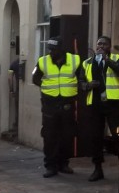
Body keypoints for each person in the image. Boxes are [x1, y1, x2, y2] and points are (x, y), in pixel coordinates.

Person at [32, 37, 84, 178]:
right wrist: (47, 88)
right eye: (50, 49)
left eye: (54, 50)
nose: (51, 52)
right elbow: (35, 78)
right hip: (50, 104)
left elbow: (82, 78)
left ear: (61, 50)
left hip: (67, 103)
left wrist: (81, 85)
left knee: (67, 136)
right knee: (49, 136)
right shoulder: (43, 61)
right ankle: (50, 166)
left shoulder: (75, 60)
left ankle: (63, 164)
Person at [81, 36, 119, 182]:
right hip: (95, 105)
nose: (101, 46)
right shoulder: (87, 62)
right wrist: (88, 86)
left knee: (118, 136)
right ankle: (97, 169)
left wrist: (108, 61)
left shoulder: (116, 58)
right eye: (98, 44)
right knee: (95, 137)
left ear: (109, 46)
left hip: (112, 104)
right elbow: (81, 82)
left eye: (104, 44)